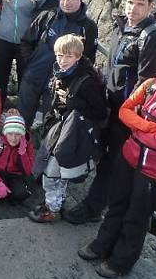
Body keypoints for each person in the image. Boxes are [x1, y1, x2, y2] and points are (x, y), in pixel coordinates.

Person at [78, 47, 156, 279]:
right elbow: (124, 111)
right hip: (130, 156)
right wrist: (147, 126)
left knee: (136, 216)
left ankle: (121, 261)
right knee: (117, 204)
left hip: (155, 170)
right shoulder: (150, 85)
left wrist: (138, 126)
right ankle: (102, 245)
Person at [66, 0, 156, 225]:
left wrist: (130, 118)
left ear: (151, 6)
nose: (133, 9)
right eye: (130, 2)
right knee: (105, 155)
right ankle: (101, 204)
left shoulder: (153, 37)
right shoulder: (123, 28)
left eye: (140, 4)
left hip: (127, 114)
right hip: (111, 105)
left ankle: (93, 207)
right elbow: (113, 66)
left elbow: (146, 83)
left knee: (112, 161)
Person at [28, 34, 107, 223]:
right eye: (59, 55)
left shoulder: (87, 82)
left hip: (73, 132)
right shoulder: (62, 74)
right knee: (53, 168)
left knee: (54, 170)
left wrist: (75, 103)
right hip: (60, 126)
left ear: (78, 56)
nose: (62, 60)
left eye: (68, 56)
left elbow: (99, 111)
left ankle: (53, 208)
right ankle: (54, 203)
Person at [17, 0, 97, 127]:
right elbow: (26, 41)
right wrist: (30, 63)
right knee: (21, 118)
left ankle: (43, 149)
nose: (67, 2)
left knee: (51, 122)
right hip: (34, 76)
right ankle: (18, 148)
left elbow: (88, 57)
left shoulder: (88, 26)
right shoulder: (48, 16)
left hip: (61, 84)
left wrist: (72, 80)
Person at [0, 113, 35, 204]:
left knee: (20, 195)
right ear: (5, 133)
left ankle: (12, 196)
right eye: (10, 134)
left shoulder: (27, 147)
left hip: (16, 174)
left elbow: (28, 171)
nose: (13, 138)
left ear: (22, 135)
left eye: (17, 134)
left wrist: (22, 153)